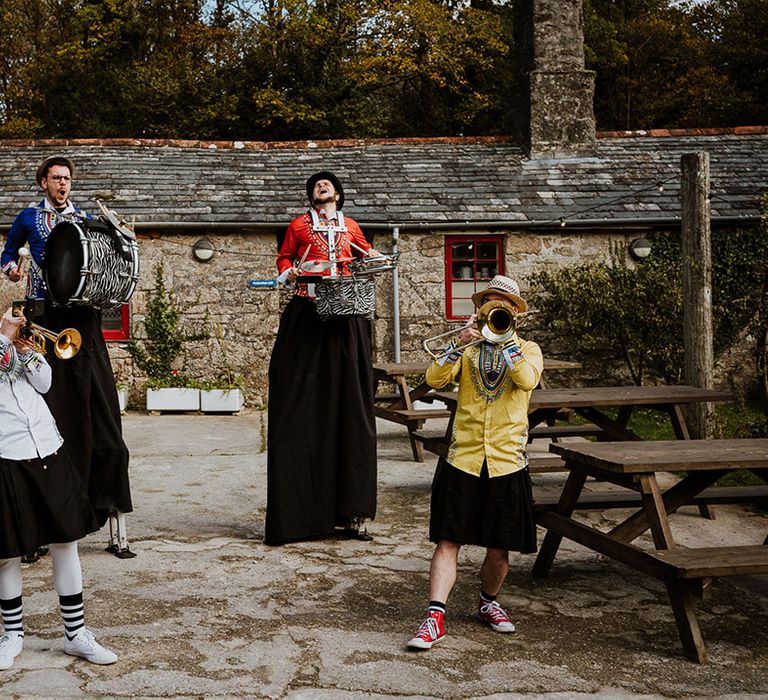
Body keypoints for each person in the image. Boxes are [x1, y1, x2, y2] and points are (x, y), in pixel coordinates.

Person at [406, 275, 543, 650]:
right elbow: (433, 378)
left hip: (507, 460)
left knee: (499, 547)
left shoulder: (528, 349)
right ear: (480, 308)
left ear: (515, 313)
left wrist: (506, 339)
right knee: (448, 540)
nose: (498, 308)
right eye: (491, 302)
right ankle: (435, 617)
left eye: (506, 304)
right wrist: (458, 342)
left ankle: (488, 602)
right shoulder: (466, 349)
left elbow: (527, 381)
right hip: (463, 457)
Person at [0, 156, 133, 539]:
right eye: (57, 178)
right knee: (51, 402)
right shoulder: (27, 218)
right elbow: (8, 255)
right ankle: (44, 513)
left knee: (97, 404)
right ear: (43, 182)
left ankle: (103, 505)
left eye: (68, 179)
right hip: (43, 317)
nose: (63, 184)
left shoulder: (86, 219)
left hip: (82, 319)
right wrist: (11, 269)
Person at [265, 171, 380, 545]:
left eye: (327, 184)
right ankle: (298, 517)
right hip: (307, 313)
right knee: (299, 406)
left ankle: (351, 513)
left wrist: (381, 259)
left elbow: (367, 254)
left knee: (351, 409)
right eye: (316, 185)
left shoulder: (351, 226)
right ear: (311, 197)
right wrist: (290, 271)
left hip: (346, 317)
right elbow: (283, 259)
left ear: (338, 194)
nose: (321, 186)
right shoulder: (298, 226)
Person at [0, 308, 118, 670]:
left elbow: (46, 383)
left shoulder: (15, 344)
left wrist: (27, 351)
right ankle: (12, 635)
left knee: (66, 541)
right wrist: (4, 338)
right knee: (7, 552)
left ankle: (76, 633)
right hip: (6, 451)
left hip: (47, 445)